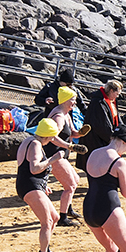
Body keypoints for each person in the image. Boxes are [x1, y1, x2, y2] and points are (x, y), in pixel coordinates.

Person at [15, 118, 74, 252]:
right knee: (46, 222)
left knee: (54, 218)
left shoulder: (29, 140)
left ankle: (45, 249)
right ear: (47, 136)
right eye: (52, 137)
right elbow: (34, 168)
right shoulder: (35, 145)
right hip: (30, 187)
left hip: (32, 185)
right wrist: (53, 159)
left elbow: (24, 166)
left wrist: (42, 184)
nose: (53, 140)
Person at [46, 86, 90, 226]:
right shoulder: (59, 116)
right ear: (65, 100)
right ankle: (63, 217)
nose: (75, 103)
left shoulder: (66, 114)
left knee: (75, 180)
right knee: (70, 185)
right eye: (73, 100)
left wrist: (80, 133)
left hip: (61, 155)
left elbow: (72, 132)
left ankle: (68, 208)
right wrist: (69, 146)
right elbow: (52, 137)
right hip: (54, 155)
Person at [76, 80, 123, 171]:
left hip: (104, 134)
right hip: (96, 138)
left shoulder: (112, 101)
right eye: (117, 93)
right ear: (111, 91)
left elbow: (116, 117)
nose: (118, 96)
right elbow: (102, 123)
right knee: (95, 163)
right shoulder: (98, 102)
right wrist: (112, 137)